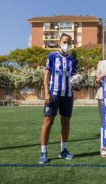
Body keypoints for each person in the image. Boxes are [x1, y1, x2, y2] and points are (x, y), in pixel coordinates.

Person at [39, 33, 77, 164]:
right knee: (48, 122)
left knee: (66, 122)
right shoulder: (52, 56)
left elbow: (73, 78)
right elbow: (46, 75)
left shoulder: (72, 60)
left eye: (69, 42)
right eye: (65, 41)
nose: (67, 44)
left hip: (68, 95)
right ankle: (43, 152)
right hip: (53, 94)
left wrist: (78, 83)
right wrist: (46, 93)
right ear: (60, 42)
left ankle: (64, 150)